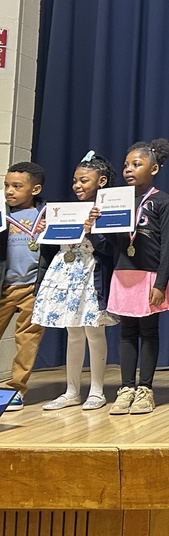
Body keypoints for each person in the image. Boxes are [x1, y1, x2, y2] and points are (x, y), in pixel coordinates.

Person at [32, 152, 118, 411]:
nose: (77, 186)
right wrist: (43, 230)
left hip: (91, 274)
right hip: (66, 274)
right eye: (75, 181)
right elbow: (53, 247)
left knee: (94, 331)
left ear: (101, 182)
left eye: (84, 180)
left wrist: (93, 231)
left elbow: (112, 249)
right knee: (73, 332)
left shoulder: (108, 210)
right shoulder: (64, 211)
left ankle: (97, 390)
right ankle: (71, 391)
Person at [106, 139, 169, 415]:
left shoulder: (163, 201)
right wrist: (98, 225)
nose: (129, 170)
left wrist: (160, 282)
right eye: (126, 165)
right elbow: (114, 244)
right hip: (124, 273)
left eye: (137, 164)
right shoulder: (117, 200)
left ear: (154, 168)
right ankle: (126, 388)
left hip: (149, 276)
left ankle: (145, 388)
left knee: (148, 332)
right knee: (126, 333)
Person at [0, 161, 51, 411]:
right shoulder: (1, 213)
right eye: (7, 185)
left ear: (35, 189)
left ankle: (15, 389)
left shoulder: (47, 214)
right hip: (4, 288)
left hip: (33, 287)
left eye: (17, 186)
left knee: (27, 339)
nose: (9, 191)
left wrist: (48, 230)